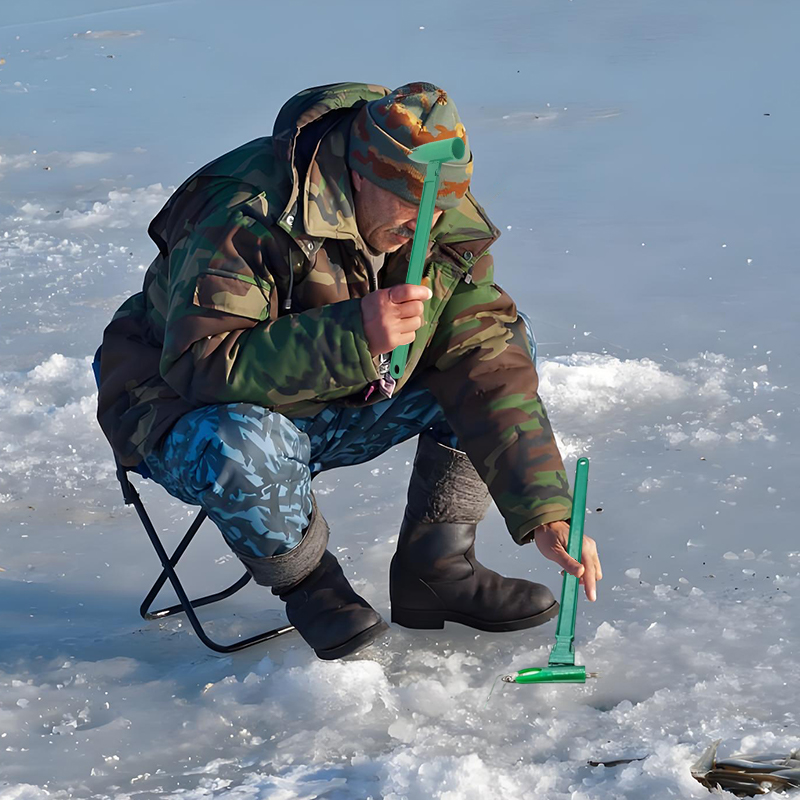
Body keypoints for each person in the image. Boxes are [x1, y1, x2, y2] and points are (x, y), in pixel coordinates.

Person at [95, 81, 602, 661]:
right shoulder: (246, 210)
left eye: (441, 207)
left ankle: (438, 567)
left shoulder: (435, 215)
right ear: (361, 176)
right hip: (178, 411)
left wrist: (545, 511)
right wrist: (354, 335)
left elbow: (485, 359)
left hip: (334, 401)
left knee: (503, 344)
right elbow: (201, 363)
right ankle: (313, 588)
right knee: (241, 438)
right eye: (410, 205)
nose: (426, 224)